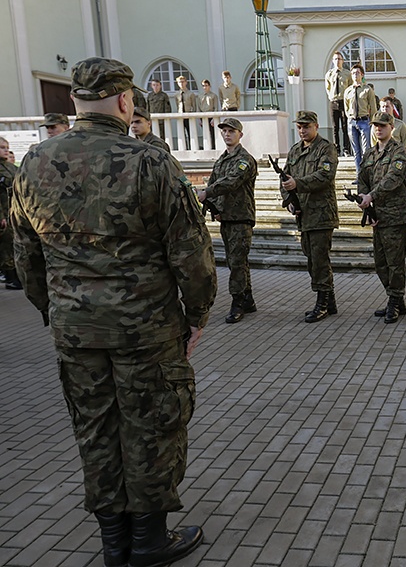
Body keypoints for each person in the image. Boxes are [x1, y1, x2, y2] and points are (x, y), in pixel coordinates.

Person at [10, 57, 216, 567]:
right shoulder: (148, 161)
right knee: (151, 428)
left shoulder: (32, 163)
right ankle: (147, 541)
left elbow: (23, 257)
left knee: (95, 430)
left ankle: (113, 543)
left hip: (76, 332)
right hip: (145, 330)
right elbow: (191, 254)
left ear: (74, 104)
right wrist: (197, 314)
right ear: (126, 101)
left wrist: (55, 310)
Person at [280, 111, 340, 323]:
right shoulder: (295, 150)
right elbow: (285, 178)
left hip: (321, 214)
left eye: (306, 126)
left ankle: (322, 303)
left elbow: (325, 175)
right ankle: (330, 301)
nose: (302, 130)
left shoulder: (326, 148)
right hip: (303, 214)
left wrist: (298, 183)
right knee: (311, 258)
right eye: (299, 127)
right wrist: (288, 200)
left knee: (319, 260)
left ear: (316, 126)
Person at [198, 118, 258, 324]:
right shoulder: (221, 160)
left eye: (231, 131)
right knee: (236, 260)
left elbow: (231, 182)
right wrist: (212, 207)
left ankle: (237, 302)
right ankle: (248, 298)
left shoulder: (245, 160)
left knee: (237, 261)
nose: (227, 134)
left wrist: (207, 192)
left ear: (240, 134)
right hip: (227, 218)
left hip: (241, 217)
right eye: (224, 131)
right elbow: (214, 183)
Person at [357, 111, 406, 323]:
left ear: (392, 127)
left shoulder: (399, 152)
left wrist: (371, 195)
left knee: (395, 262)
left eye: (382, 125)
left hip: (396, 215)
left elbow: (393, 179)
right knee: (380, 263)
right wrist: (365, 200)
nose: (378, 129)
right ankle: (396, 299)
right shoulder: (369, 154)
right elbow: (362, 178)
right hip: (377, 215)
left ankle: (394, 300)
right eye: (375, 125)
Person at [344, 64, 378, 182]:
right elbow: (346, 107)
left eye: (357, 73)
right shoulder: (348, 91)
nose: (355, 75)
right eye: (353, 73)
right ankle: (359, 175)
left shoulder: (367, 89)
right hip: (352, 122)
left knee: (366, 150)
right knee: (356, 151)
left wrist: (373, 122)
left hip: (364, 121)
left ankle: (367, 175)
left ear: (362, 75)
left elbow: (373, 106)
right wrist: (349, 118)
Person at [0, 135, 22, 290]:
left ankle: (16, 277)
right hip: (4, 212)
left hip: (16, 211)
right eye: (2, 148)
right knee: (7, 246)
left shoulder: (11, 167)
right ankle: (10, 277)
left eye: (7, 147)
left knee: (15, 244)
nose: (6, 150)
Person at [325, 52, 352, 157]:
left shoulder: (347, 74)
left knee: (345, 126)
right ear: (333, 61)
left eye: (339, 59)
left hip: (343, 102)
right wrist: (332, 97)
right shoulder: (329, 74)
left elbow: (349, 88)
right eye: (335, 59)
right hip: (333, 102)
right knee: (335, 127)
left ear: (342, 61)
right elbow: (328, 88)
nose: (337, 61)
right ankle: (337, 149)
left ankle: (346, 149)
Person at [174, 75, 199, 150]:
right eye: (179, 82)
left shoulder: (190, 94)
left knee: (190, 132)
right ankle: (184, 147)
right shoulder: (177, 94)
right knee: (182, 133)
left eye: (182, 82)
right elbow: (177, 104)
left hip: (189, 114)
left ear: (186, 82)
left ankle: (192, 147)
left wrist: (193, 114)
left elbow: (194, 105)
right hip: (181, 115)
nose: (181, 83)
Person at [199, 78, 218, 150]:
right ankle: (206, 146)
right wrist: (199, 119)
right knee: (205, 133)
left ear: (209, 86)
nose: (205, 87)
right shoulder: (200, 96)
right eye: (203, 86)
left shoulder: (213, 96)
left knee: (212, 133)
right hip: (203, 116)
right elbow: (198, 108)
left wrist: (213, 118)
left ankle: (213, 146)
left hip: (211, 115)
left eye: (206, 85)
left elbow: (215, 107)